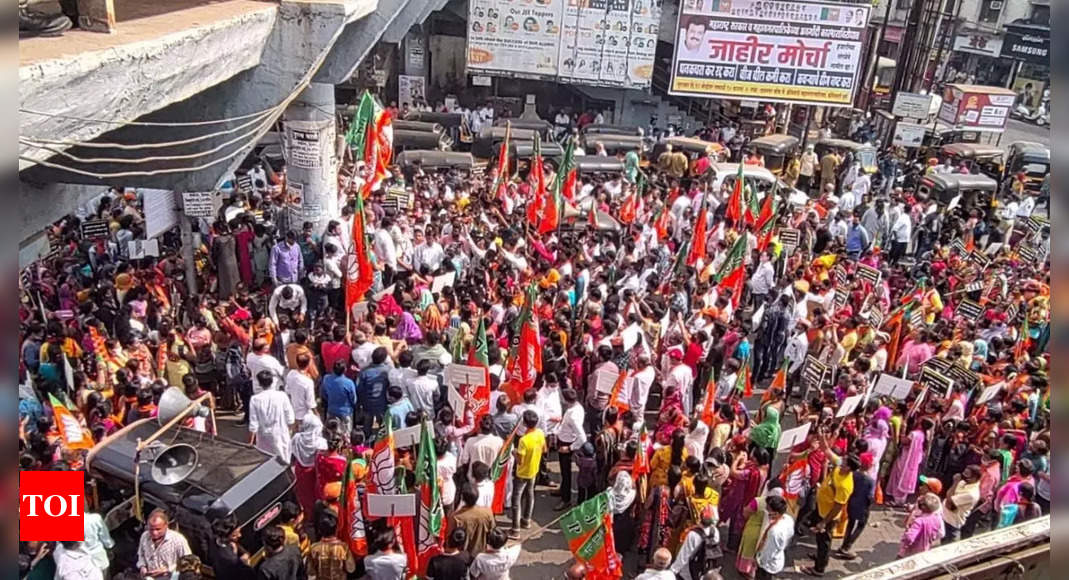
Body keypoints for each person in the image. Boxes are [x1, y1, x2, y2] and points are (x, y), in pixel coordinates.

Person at [801, 454, 858, 577]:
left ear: (848, 468)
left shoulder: (845, 486)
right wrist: (822, 439)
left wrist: (824, 522)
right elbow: (827, 451)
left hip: (827, 516)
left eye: (844, 462)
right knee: (819, 539)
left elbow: (838, 506)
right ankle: (819, 558)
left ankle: (819, 568)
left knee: (824, 542)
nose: (841, 462)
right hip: (821, 509)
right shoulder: (840, 468)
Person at [511, 410, 546, 537]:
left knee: (516, 500)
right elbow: (544, 449)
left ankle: (515, 529)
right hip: (534, 470)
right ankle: (526, 520)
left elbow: (520, 460)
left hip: (522, 473)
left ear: (525, 423)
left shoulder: (523, 440)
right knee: (530, 494)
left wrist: (514, 452)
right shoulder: (540, 434)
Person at [248, 369, 296, 459]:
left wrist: (250, 443)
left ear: (259, 383)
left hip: (264, 439)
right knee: (284, 462)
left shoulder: (255, 399)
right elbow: (290, 418)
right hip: (281, 436)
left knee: (266, 465)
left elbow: (253, 424)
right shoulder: (282, 396)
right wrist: (289, 433)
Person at [137, 509, 192, 580]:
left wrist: (167, 570)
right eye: (151, 529)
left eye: (158, 529)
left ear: (166, 525)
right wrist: (142, 566)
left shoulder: (178, 540)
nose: (154, 533)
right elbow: (141, 555)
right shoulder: (144, 536)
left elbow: (189, 562)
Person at [670, 505, 722, 580]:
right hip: (706, 571)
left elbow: (684, 555)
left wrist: (673, 570)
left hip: (689, 573)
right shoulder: (715, 532)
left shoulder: (693, 535)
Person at [450, 482, 497, 556]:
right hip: (481, 553)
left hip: (463, 555)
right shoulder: (488, 512)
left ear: (462, 498)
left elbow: (451, 539)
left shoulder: (457, 517)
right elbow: (492, 532)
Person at [305, 512, 355, 580]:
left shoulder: (314, 548)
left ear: (320, 530)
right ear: (336, 529)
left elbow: (310, 571)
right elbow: (351, 569)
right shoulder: (343, 547)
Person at [755, 495, 794, 579]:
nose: (766, 510)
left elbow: (768, 553)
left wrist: (759, 561)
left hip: (768, 566)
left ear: (776, 513)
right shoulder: (788, 519)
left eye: (768, 509)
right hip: (777, 559)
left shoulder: (775, 532)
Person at [897, 493, 944, 558]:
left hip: (912, 550)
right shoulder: (937, 519)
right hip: (925, 548)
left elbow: (909, 538)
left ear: (923, 507)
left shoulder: (919, 521)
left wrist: (905, 540)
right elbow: (940, 534)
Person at [209, 516, 254, 580]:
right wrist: (245, 564)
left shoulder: (214, 540)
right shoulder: (231, 559)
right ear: (226, 536)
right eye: (234, 535)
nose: (240, 535)